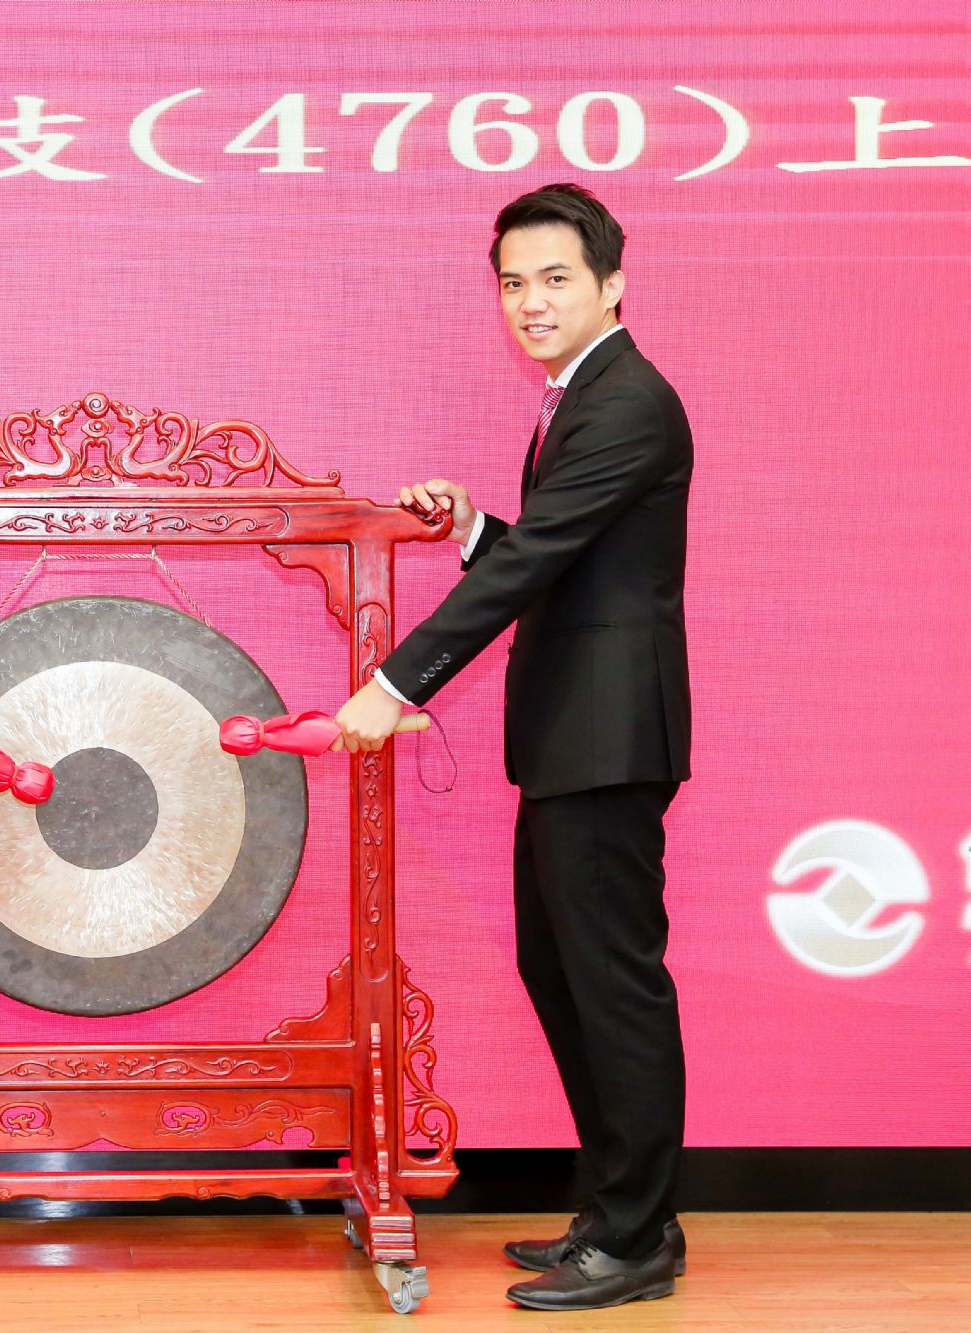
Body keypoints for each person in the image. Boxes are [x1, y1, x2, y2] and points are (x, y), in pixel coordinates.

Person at [335, 183, 693, 1312]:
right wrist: (474, 528)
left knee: (612, 984)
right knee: (563, 972)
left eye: (554, 279)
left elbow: (540, 567)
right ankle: (622, 1212)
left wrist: (392, 684)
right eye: (512, 283)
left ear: (611, 284)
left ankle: (634, 1236)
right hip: (572, 737)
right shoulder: (580, 396)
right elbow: (555, 555)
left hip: (607, 737)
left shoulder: (626, 401)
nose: (530, 302)